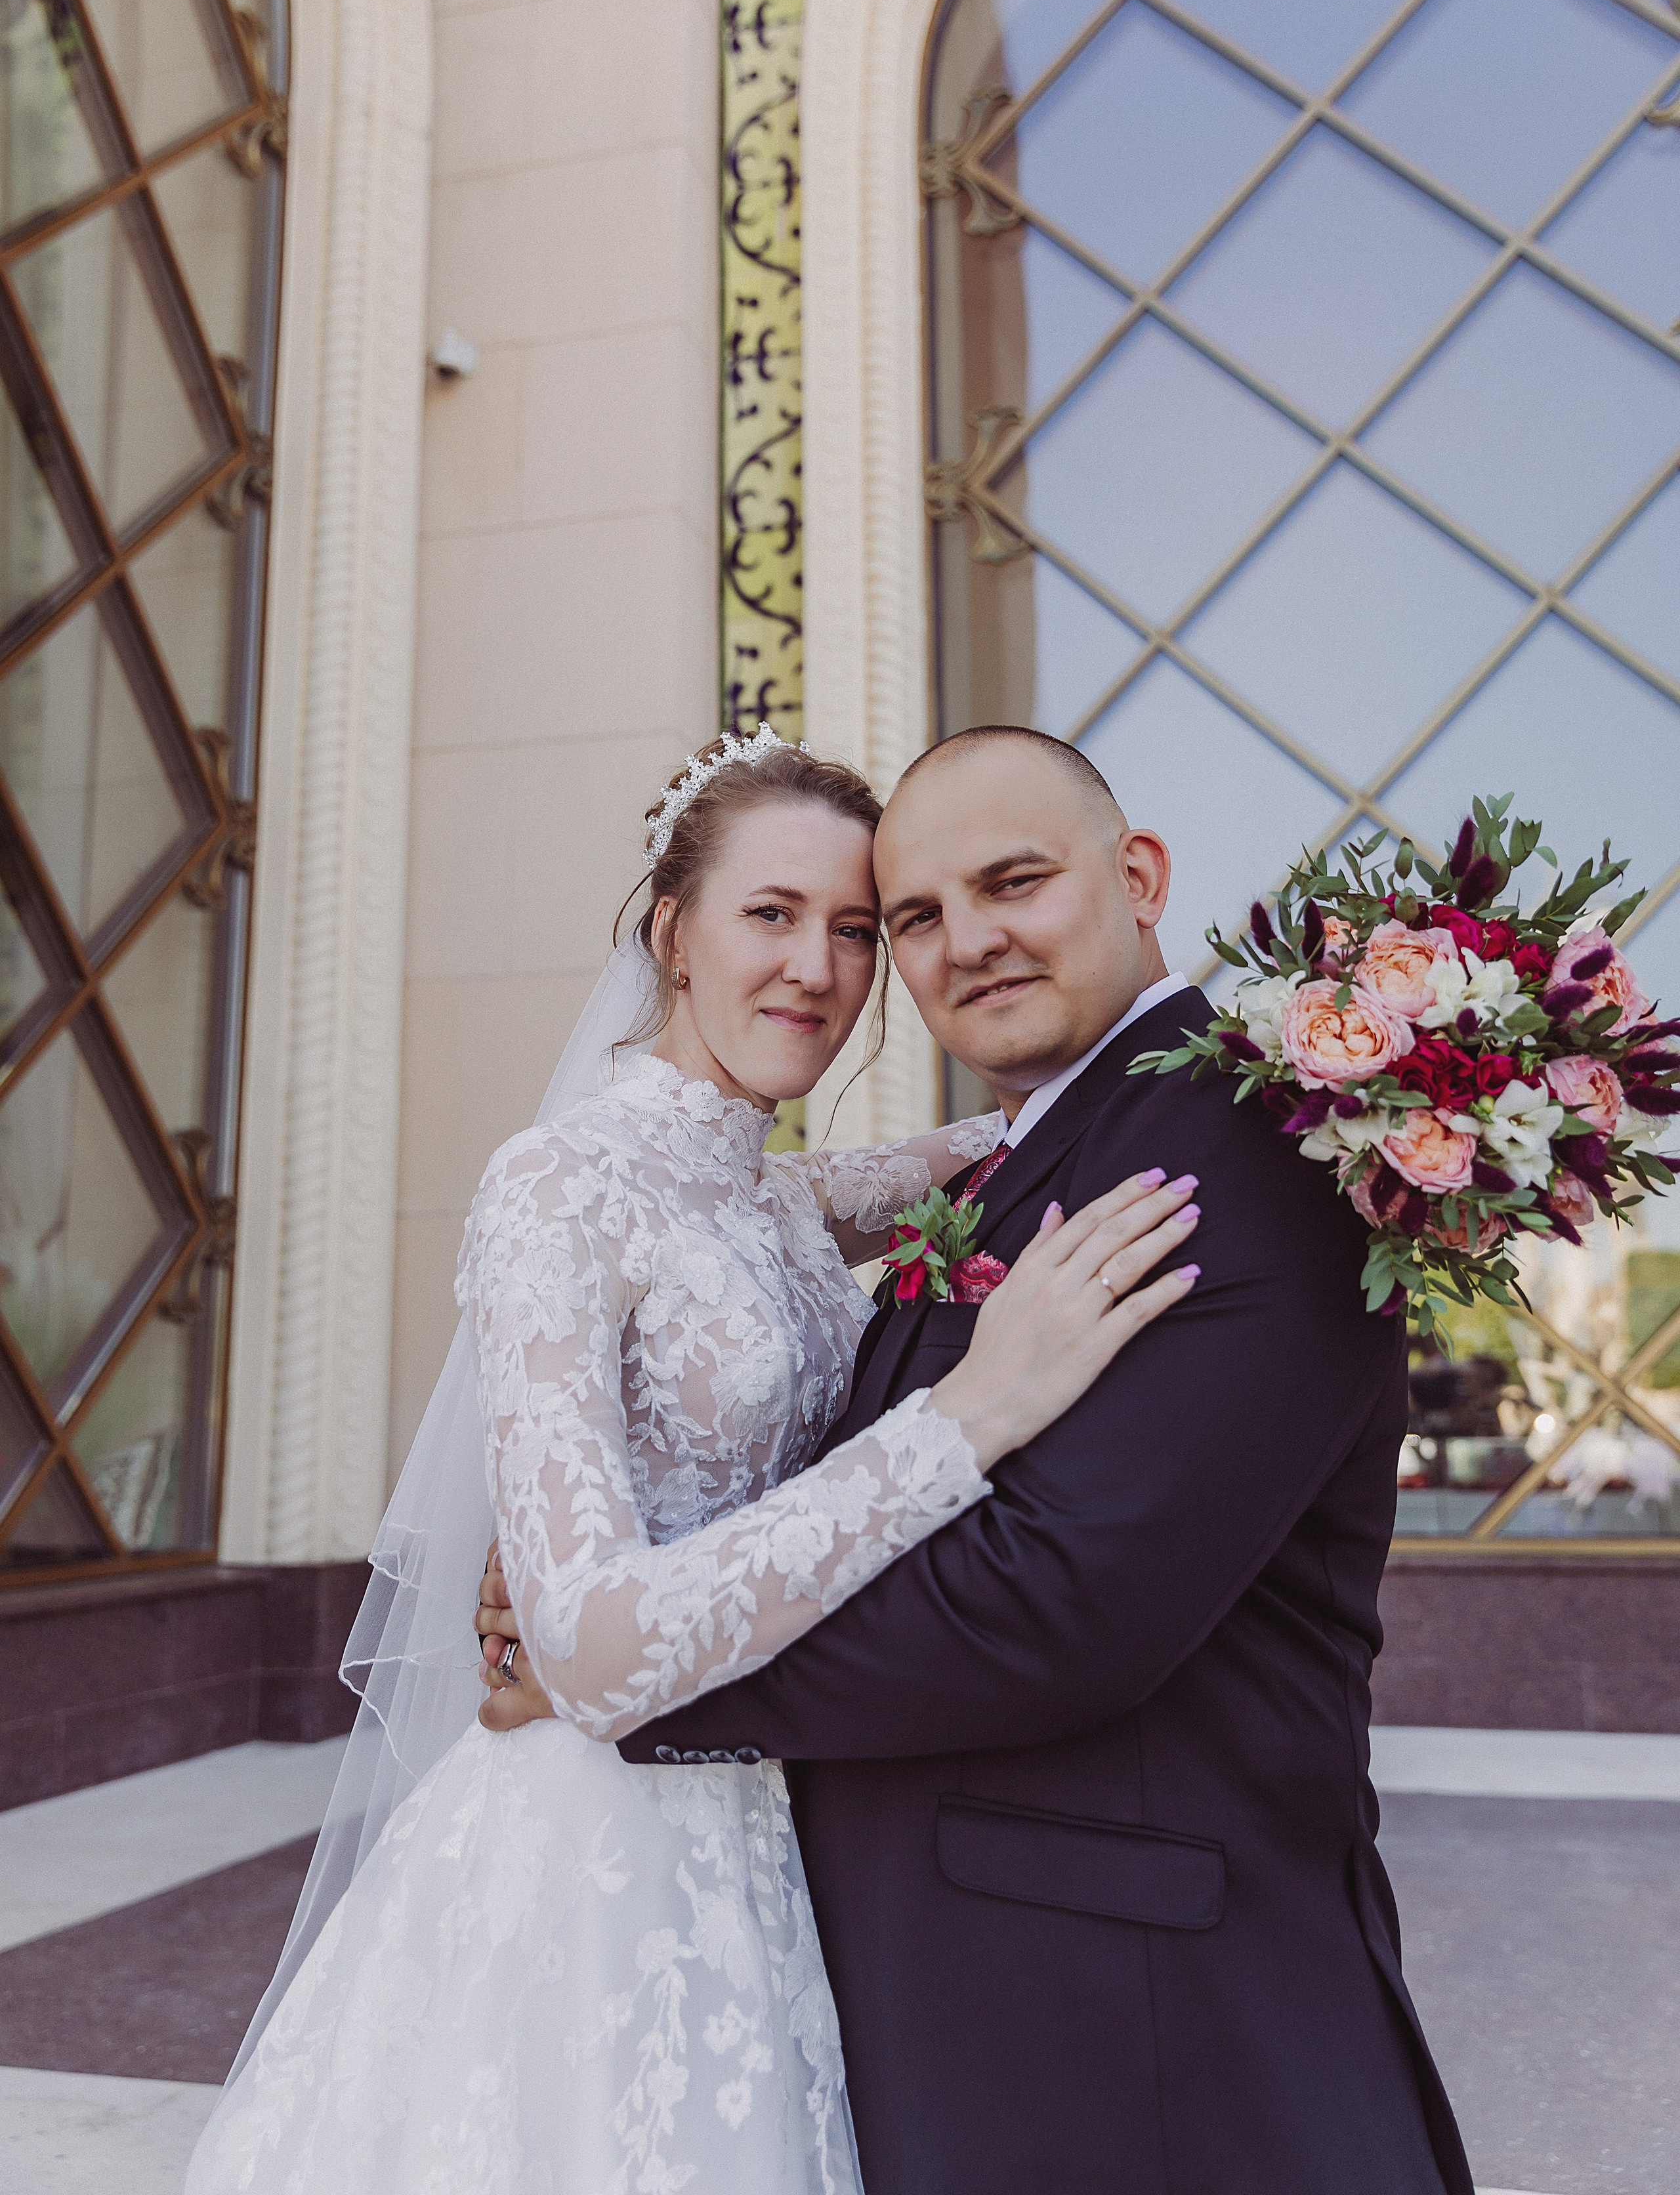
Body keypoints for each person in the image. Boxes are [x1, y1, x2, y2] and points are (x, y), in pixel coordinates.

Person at [185, 730, 1198, 2195]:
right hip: (592, 1858)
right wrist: (968, 1417)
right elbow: (586, 1646)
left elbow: (1032, 1121)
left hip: (779, 1824)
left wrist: (1288, 1056)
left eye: (858, 930)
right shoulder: (557, 1184)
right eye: (770, 914)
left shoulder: (782, 1199)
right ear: (673, 933)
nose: (816, 969)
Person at [484, 725, 1474, 2195]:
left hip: (1139, 2032)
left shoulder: (1239, 1150)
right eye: (913, 917)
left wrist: (617, 1668)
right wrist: (607, 1596)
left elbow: (1052, 1603)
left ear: (1139, 878)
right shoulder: (1021, 1146)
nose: (957, 945)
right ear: (671, 937)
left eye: (1010, 885)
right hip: (841, 1940)